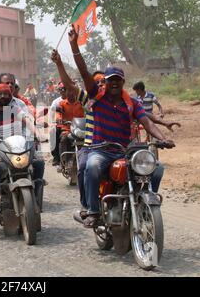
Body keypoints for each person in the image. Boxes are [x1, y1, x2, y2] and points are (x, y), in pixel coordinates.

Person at [54, 25, 175, 228]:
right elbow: (84, 72)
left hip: (125, 151)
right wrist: (74, 46)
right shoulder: (95, 97)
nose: (114, 83)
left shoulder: (132, 103)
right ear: (105, 83)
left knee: (157, 168)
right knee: (91, 166)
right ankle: (92, 210)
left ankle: (149, 201)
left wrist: (162, 138)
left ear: (123, 82)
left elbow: (146, 122)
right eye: (111, 81)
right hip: (100, 150)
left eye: (118, 80)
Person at [0, 83, 44, 218]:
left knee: (39, 163)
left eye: (6, 94)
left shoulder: (15, 108)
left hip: (18, 146)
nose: (3, 97)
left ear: (10, 95)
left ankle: (36, 197)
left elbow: (27, 121)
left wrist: (37, 133)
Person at [50, 83, 68, 166]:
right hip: (60, 124)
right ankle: (56, 157)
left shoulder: (73, 100)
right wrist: (52, 123)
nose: (63, 91)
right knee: (54, 133)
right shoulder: (56, 102)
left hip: (72, 124)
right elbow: (52, 114)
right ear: (59, 91)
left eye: (65, 89)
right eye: (61, 89)